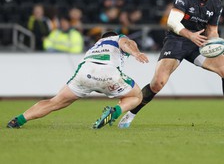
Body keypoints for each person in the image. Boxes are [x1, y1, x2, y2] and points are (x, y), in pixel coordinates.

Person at [117, 0, 224, 129]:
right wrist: (190, 35)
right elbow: (172, 22)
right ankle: (130, 114)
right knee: (158, 83)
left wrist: (216, 44)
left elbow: (212, 31)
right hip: (177, 40)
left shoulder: (216, 4)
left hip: (199, 43)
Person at [6, 31, 149, 129]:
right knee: (136, 96)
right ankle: (115, 111)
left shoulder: (95, 46)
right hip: (108, 73)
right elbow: (126, 43)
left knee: (54, 102)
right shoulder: (117, 38)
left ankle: (17, 120)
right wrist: (136, 53)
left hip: (84, 73)